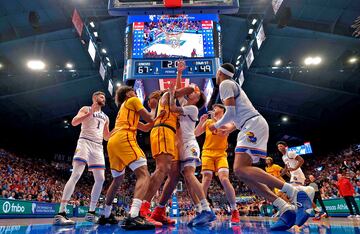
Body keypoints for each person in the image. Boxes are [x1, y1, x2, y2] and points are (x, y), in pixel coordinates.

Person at [207, 63, 314, 231]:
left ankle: (296, 193)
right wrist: (229, 128)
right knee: (245, 175)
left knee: (240, 169)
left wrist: (216, 125)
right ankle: (285, 208)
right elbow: (237, 116)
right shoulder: (231, 86)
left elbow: (231, 113)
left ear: (220, 72)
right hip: (249, 125)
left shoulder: (226, 84)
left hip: (252, 125)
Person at [98, 86, 164, 230]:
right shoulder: (133, 100)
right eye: (133, 91)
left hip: (113, 142)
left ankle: (106, 214)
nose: (136, 93)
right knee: (144, 174)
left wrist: (157, 116)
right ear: (128, 94)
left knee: (117, 180)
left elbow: (146, 127)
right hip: (124, 138)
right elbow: (150, 117)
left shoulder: (124, 110)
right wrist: (154, 107)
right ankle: (134, 216)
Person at [140, 60, 194, 226]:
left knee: (175, 174)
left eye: (150, 98)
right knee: (162, 169)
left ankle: (159, 210)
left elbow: (147, 126)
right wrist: (179, 80)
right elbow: (190, 89)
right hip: (163, 131)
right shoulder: (166, 96)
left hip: (171, 135)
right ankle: (142, 210)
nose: (150, 101)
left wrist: (179, 74)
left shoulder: (170, 105)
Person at [54, 91, 110, 226]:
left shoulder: (106, 117)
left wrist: (118, 130)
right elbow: (74, 122)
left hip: (98, 146)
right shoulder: (86, 108)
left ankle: (91, 213)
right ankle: (61, 213)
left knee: (101, 179)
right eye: (101, 96)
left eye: (104, 97)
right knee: (76, 174)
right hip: (84, 142)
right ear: (94, 98)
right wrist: (89, 114)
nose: (103, 98)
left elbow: (106, 137)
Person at [169, 78, 216, 226]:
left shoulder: (193, 109)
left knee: (189, 174)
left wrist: (170, 94)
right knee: (188, 182)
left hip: (190, 144)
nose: (191, 93)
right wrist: (179, 73)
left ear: (197, 99)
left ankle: (207, 209)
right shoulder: (185, 104)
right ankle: (199, 211)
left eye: (195, 93)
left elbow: (173, 107)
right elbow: (179, 91)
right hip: (181, 146)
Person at [194, 104, 240, 223]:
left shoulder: (228, 121)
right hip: (207, 152)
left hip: (221, 154)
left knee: (224, 179)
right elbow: (196, 133)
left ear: (222, 110)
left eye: (216, 108)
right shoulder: (208, 121)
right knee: (206, 178)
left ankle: (234, 209)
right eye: (213, 108)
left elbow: (228, 127)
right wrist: (201, 122)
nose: (213, 109)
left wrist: (218, 121)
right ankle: (202, 209)